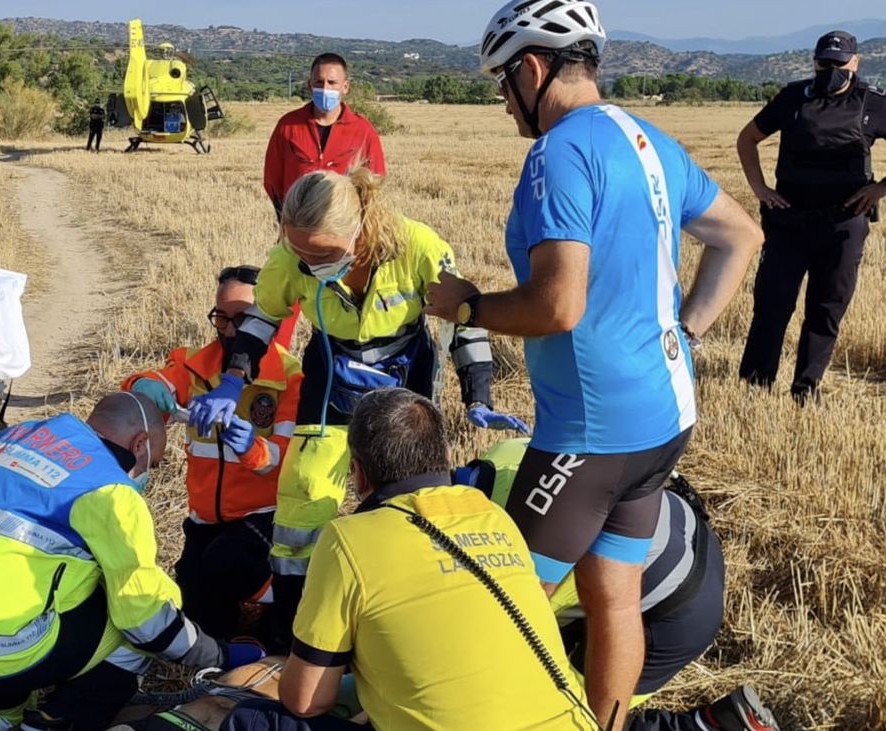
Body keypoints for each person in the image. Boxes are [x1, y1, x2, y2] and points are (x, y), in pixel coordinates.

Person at [425, 2, 762, 727]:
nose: (501, 100)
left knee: (492, 605)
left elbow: (558, 305)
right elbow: (740, 235)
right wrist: (686, 330)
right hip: (664, 418)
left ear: (534, 69)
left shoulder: (560, 151)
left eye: (500, 81)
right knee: (611, 594)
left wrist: (466, 308)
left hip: (592, 435)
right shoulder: (648, 139)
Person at [189, 167, 529, 649]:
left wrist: (478, 396)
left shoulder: (418, 247)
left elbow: (465, 321)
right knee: (303, 497)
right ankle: (293, 627)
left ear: (361, 224)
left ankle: (402, 619)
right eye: (299, 251)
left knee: (405, 499)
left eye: (321, 254)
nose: (307, 263)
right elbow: (264, 316)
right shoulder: (292, 256)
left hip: (403, 379)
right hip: (332, 375)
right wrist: (231, 379)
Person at [0, 392, 265, 731]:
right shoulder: (109, 490)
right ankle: (61, 721)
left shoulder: (11, 441)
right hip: (3, 654)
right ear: (139, 444)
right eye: (154, 458)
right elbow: (145, 618)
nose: (147, 471)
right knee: (134, 623)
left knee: (0, 714)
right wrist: (219, 654)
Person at [222, 389, 597, 731]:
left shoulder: (348, 540)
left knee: (249, 721)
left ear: (357, 472)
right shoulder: (494, 516)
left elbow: (306, 700)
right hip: (572, 722)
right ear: (447, 457)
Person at [466, 440, 781, 731]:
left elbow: (521, 631)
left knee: (571, 714)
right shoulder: (505, 452)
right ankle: (721, 721)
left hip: (675, 606)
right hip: (683, 529)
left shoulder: (507, 543)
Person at [123, 265, 303, 641]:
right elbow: (151, 380)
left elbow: (287, 463)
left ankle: (289, 597)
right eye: (222, 318)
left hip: (264, 518)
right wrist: (144, 386)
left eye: (244, 319)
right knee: (199, 605)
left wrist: (250, 447)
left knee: (228, 566)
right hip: (205, 520)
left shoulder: (289, 379)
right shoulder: (195, 366)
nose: (232, 331)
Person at [736, 30, 886, 404]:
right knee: (771, 305)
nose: (831, 68)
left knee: (826, 308)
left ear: (855, 62)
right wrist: (760, 190)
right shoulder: (793, 97)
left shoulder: (873, 103)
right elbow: (747, 138)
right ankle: (755, 387)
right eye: (824, 62)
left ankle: (806, 388)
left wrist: (880, 189)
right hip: (788, 221)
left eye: (839, 62)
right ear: (814, 61)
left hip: (843, 224)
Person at [263, 53, 388, 351]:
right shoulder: (288, 127)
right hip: (299, 233)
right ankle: (276, 361)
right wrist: (288, 225)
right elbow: (273, 181)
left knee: (342, 301)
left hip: (343, 240)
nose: (325, 88)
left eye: (332, 82)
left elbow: (376, 183)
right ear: (309, 85)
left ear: (346, 87)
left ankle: (340, 356)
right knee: (286, 296)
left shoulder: (363, 130)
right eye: (319, 82)